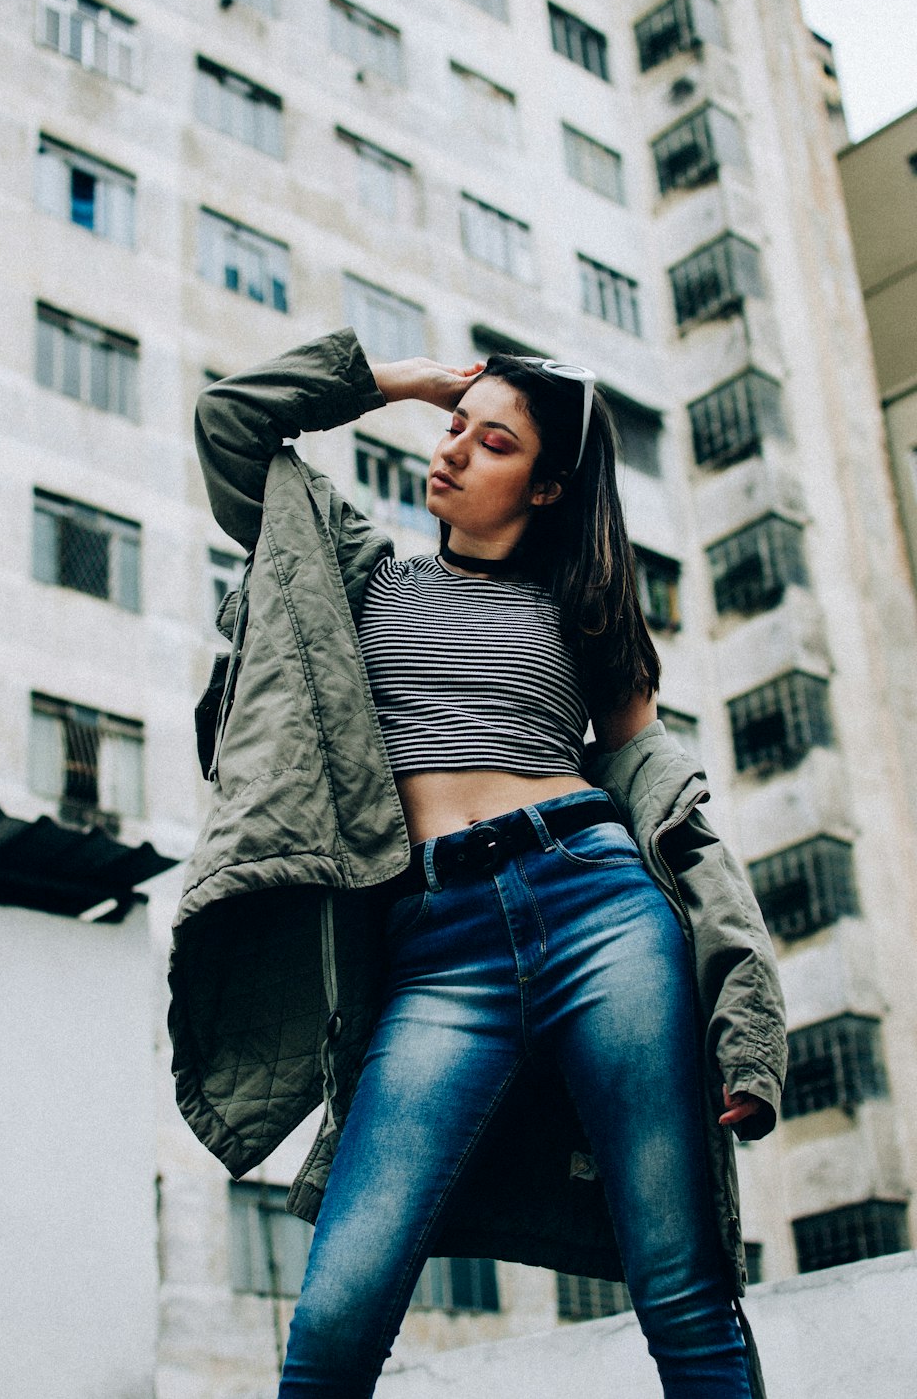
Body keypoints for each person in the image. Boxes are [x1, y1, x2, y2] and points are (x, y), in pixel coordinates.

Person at [169, 328, 787, 1399]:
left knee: (680, 1284)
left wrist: (742, 1015)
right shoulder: (357, 575)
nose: (451, 450)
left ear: (547, 487)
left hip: (597, 906)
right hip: (434, 949)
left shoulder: (587, 614)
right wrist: (400, 381)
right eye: (452, 430)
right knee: (335, 1316)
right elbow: (232, 420)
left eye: (490, 440)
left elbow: (672, 813)